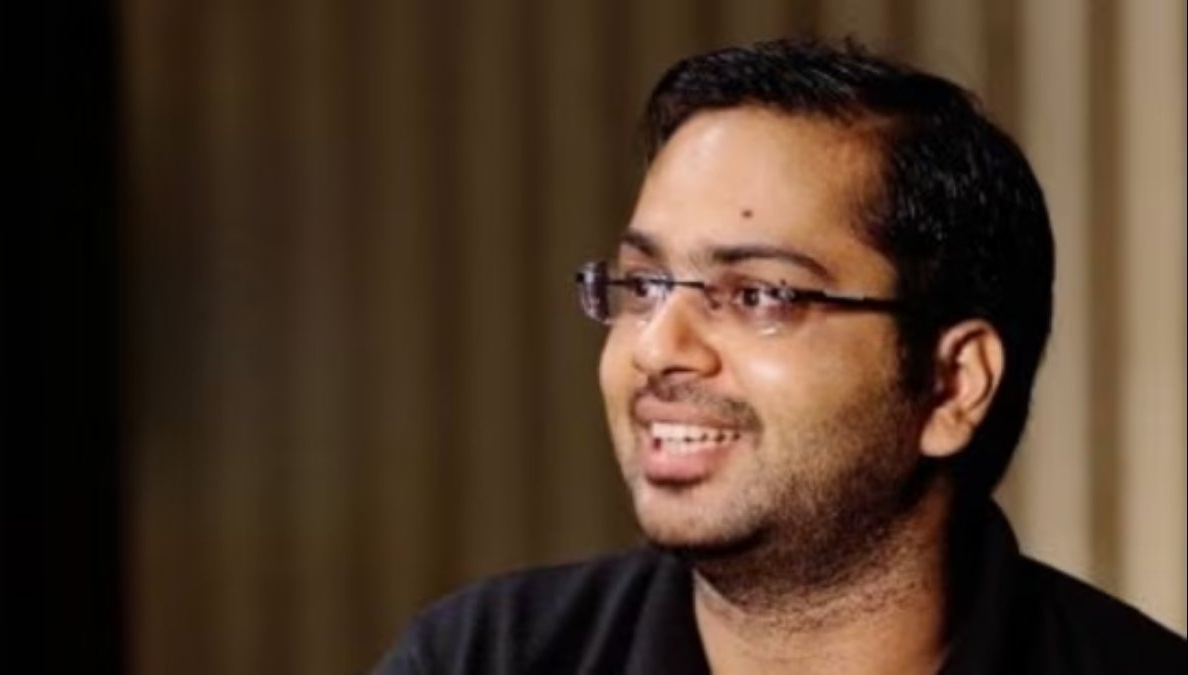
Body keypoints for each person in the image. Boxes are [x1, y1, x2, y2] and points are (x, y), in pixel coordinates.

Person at [375, 38, 1186, 674]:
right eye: (644, 284)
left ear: (951, 385)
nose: (657, 347)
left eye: (760, 294)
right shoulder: (486, 656)